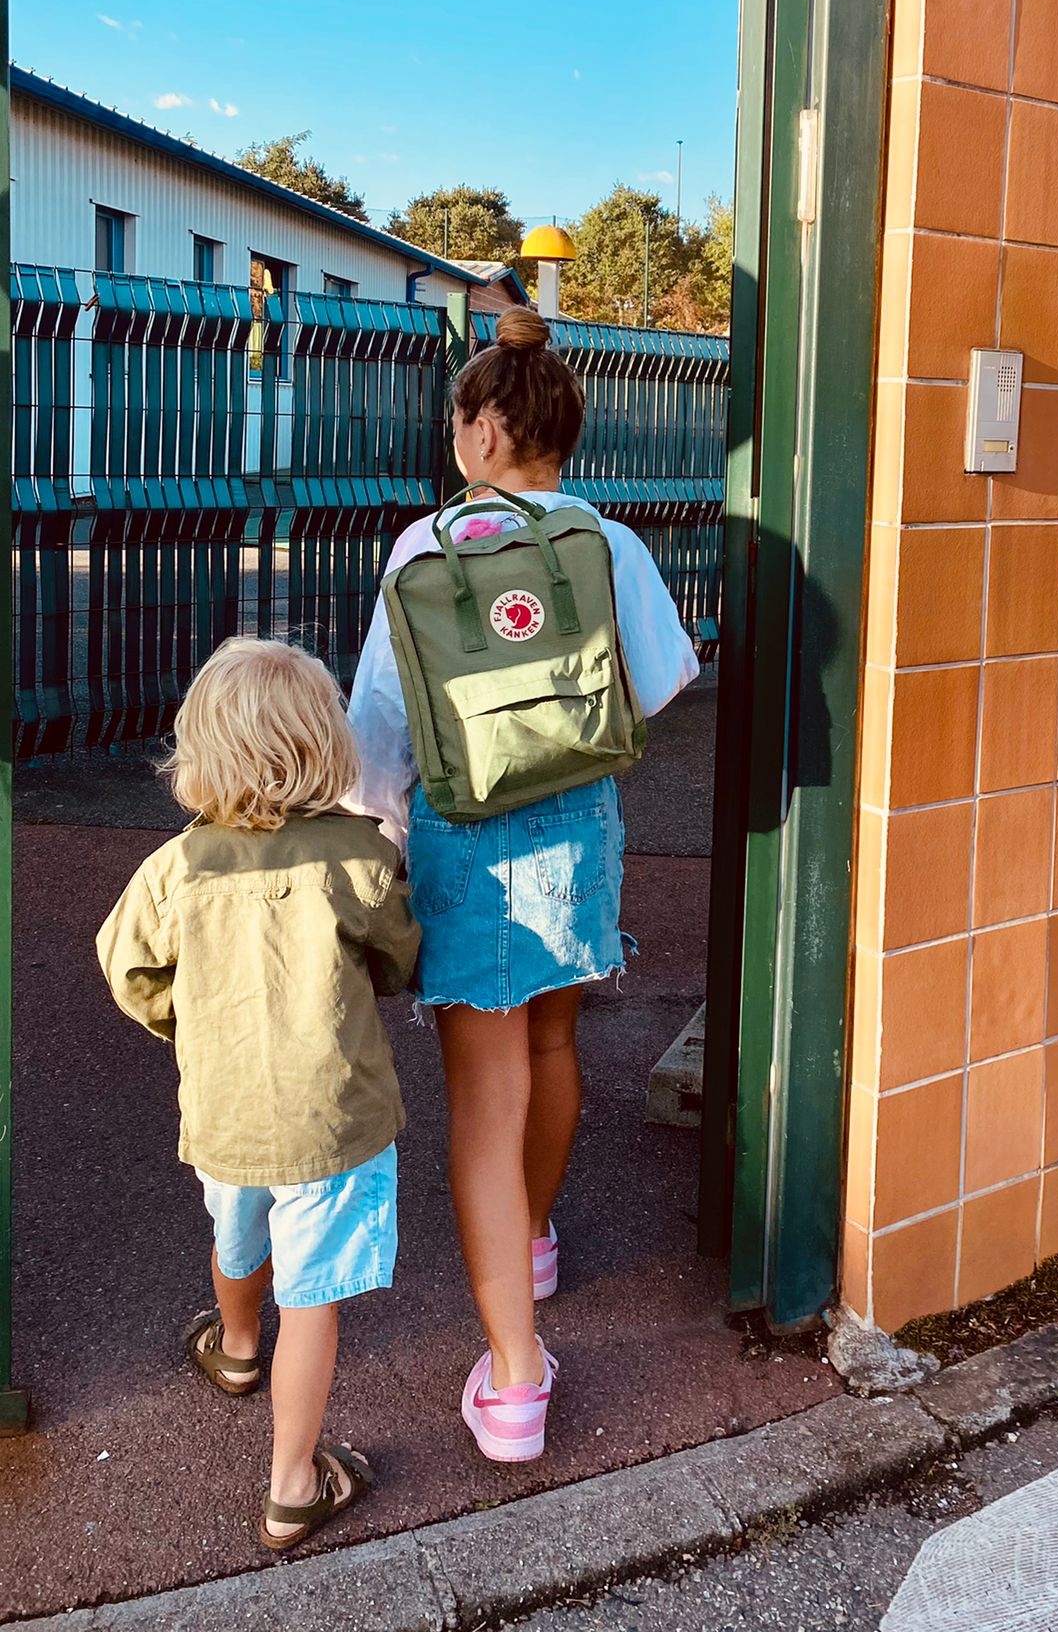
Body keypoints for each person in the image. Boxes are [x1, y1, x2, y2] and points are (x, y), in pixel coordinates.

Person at [347, 307, 697, 1463]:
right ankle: (535, 1236)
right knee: (554, 1047)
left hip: (471, 843)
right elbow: (658, 682)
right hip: (580, 830)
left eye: (461, 416)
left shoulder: (426, 546)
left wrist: (384, 833)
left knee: (482, 1102)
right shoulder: (607, 538)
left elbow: (378, 732)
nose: (456, 435)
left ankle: (514, 1379)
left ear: (490, 428)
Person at [96, 639, 420, 1551]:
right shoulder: (356, 855)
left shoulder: (176, 866)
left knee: (235, 1236)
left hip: (226, 1107)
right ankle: (291, 1484)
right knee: (312, 1295)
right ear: (327, 743)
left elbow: (126, 967)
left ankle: (237, 1351)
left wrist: (184, 1024)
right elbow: (398, 957)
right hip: (334, 1118)